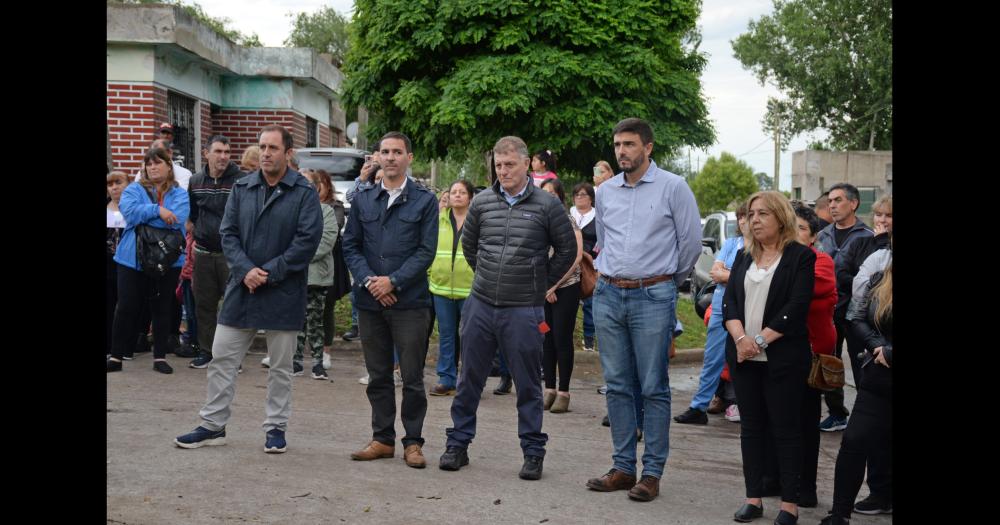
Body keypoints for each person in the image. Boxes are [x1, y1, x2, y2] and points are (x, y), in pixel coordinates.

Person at [174, 125, 323, 454]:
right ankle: (213, 425)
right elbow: (228, 233)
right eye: (262, 147)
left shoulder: (303, 192)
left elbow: (306, 241)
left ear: (288, 153)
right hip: (243, 287)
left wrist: (268, 273)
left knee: (281, 367)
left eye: (273, 147)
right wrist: (245, 270)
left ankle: (275, 428)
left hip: (283, 290)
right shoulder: (243, 187)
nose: (267, 153)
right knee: (222, 357)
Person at [439, 136, 576, 481]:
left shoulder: (547, 205)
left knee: (528, 384)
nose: (503, 171)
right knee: (468, 378)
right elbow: (470, 247)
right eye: (499, 166)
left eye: (510, 165)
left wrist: (541, 283)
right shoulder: (483, 202)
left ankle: (533, 452)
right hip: (481, 305)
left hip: (524, 310)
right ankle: (457, 445)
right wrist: (488, 275)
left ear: (527, 164)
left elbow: (566, 252)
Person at [585, 118, 701, 502]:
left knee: (653, 387)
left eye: (630, 144)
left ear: (648, 148)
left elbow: (689, 246)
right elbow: (603, 240)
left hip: (653, 295)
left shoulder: (674, 187)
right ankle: (622, 467)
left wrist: (663, 282)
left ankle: (651, 473)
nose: (622, 151)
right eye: (618, 144)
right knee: (616, 385)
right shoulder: (606, 192)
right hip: (608, 293)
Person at [342, 132, 439, 469]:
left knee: (411, 378)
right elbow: (350, 245)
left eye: (398, 152)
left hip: (410, 303)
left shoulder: (424, 201)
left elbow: (426, 251)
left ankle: (413, 443)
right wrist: (372, 282)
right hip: (370, 302)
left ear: (409, 157)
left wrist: (393, 281)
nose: (391, 157)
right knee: (378, 375)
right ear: (377, 157)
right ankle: (382, 439)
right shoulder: (364, 199)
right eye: (385, 152)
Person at [723, 191, 815, 525]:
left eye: (763, 213)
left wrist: (759, 340)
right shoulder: (744, 256)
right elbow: (729, 303)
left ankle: (789, 504)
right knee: (751, 428)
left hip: (782, 358)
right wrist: (741, 339)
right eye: (751, 214)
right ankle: (753, 498)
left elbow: (796, 306)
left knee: (786, 430)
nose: (755, 220)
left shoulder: (800, 257)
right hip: (744, 357)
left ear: (780, 217)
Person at [820, 261, 893, 525]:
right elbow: (858, 318)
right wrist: (878, 347)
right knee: (853, 441)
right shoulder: (881, 279)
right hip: (879, 376)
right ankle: (840, 516)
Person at [107, 147, 190, 374]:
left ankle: (159, 358)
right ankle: (116, 356)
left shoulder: (180, 193)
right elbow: (130, 213)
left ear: (168, 165)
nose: (153, 167)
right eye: (149, 163)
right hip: (131, 259)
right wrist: (159, 210)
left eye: (158, 163)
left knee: (162, 307)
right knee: (126, 307)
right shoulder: (133, 189)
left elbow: (178, 219)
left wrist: (153, 217)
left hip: (168, 260)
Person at [674, 202, 750, 425]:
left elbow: (753, 277)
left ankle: (743, 404)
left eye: (748, 216)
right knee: (712, 358)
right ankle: (699, 406)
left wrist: (729, 274)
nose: (745, 221)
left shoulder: (762, 247)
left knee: (745, 357)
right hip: (721, 306)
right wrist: (737, 275)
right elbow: (715, 273)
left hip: (746, 308)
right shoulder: (732, 244)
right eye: (741, 217)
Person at [814, 183, 873, 432]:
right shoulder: (824, 234)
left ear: (854, 203)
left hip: (857, 312)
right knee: (830, 362)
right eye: (830, 201)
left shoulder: (866, 236)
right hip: (829, 310)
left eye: (838, 200)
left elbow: (869, 278)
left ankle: (866, 416)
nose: (833, 205)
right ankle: (837, 413)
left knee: (862, 364)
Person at [791, 202, 837, 508]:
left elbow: (802, 291)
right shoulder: (769, 260)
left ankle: (806, 486)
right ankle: (775, 478)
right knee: (775, 419)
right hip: (776, 352)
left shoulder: (820, 262)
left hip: (811, 355)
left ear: (812, 237)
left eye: (801, 229)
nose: (794, 234)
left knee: (807, 422)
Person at [186, 135, 245, 370]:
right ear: (206, 153)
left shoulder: (241, 180)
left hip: (231, 255)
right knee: (204, 305)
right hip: (202, 252)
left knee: (233, 306)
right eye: (218, 151)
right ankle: (206, 351)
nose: (223, 157)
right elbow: (192, 215)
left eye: (227, 152)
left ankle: (233, 356)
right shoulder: (195, 181)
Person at [428, 180, 476, 397]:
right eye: (454, 192)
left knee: (469, 337)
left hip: (470, 290)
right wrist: (431, 272)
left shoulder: (478, 222)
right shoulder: (438, 220)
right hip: (441, 288)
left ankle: (468, 381)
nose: (457, 195)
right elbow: (428, 248)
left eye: (462, 192)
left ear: (470, 197)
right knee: (446, 335)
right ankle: (446, 379)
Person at [539, 178, 583, 413]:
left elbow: (575, 255)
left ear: (560, 197)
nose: (547, 197)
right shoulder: (537, 220)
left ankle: (564, 391)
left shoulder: (568, 220)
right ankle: (549, 389)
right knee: (546, 338)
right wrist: (544, 288)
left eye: (552, 193)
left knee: (562, 338)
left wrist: (554, 285)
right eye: (543, 193)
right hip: (543, 290)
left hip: (566, 287)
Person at [292, 169, 339, 380]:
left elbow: (327, 241)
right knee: (296, 320)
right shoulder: (290, 210)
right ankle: (295, 361)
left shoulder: (326, 211)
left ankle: (318, 362)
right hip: (294, 275)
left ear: (317, 186)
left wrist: (297, 256)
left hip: (317, 277)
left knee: (316, 321)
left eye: (309, 183)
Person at [570, 182, 597, 351]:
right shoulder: (568, 215)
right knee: (569, 304)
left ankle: (589, 341)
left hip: (590, 265)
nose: (580, 197)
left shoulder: (597, 216)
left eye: (583, 194)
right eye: (577, 195)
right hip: (569, 265)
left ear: (591, 198)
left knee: (589, 303)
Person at [107, 171, 130, 357]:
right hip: (108, 265)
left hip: (127, 264)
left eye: (118, 182)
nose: (114, 187)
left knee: (126, 304)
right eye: (110, 184)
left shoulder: (132, 208)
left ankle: (127, 346)